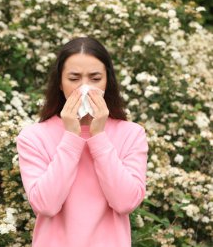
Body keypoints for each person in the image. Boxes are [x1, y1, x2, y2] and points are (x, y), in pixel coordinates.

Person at [16, 36, 148, 247]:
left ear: (108, 81)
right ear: (60, 82)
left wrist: (99, 137)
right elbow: (46, 205)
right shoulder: (34, 137)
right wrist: (71, 137)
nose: (84, 87)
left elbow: (125, 203)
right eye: (74, 78)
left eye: (95, 78)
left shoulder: (131, 134)